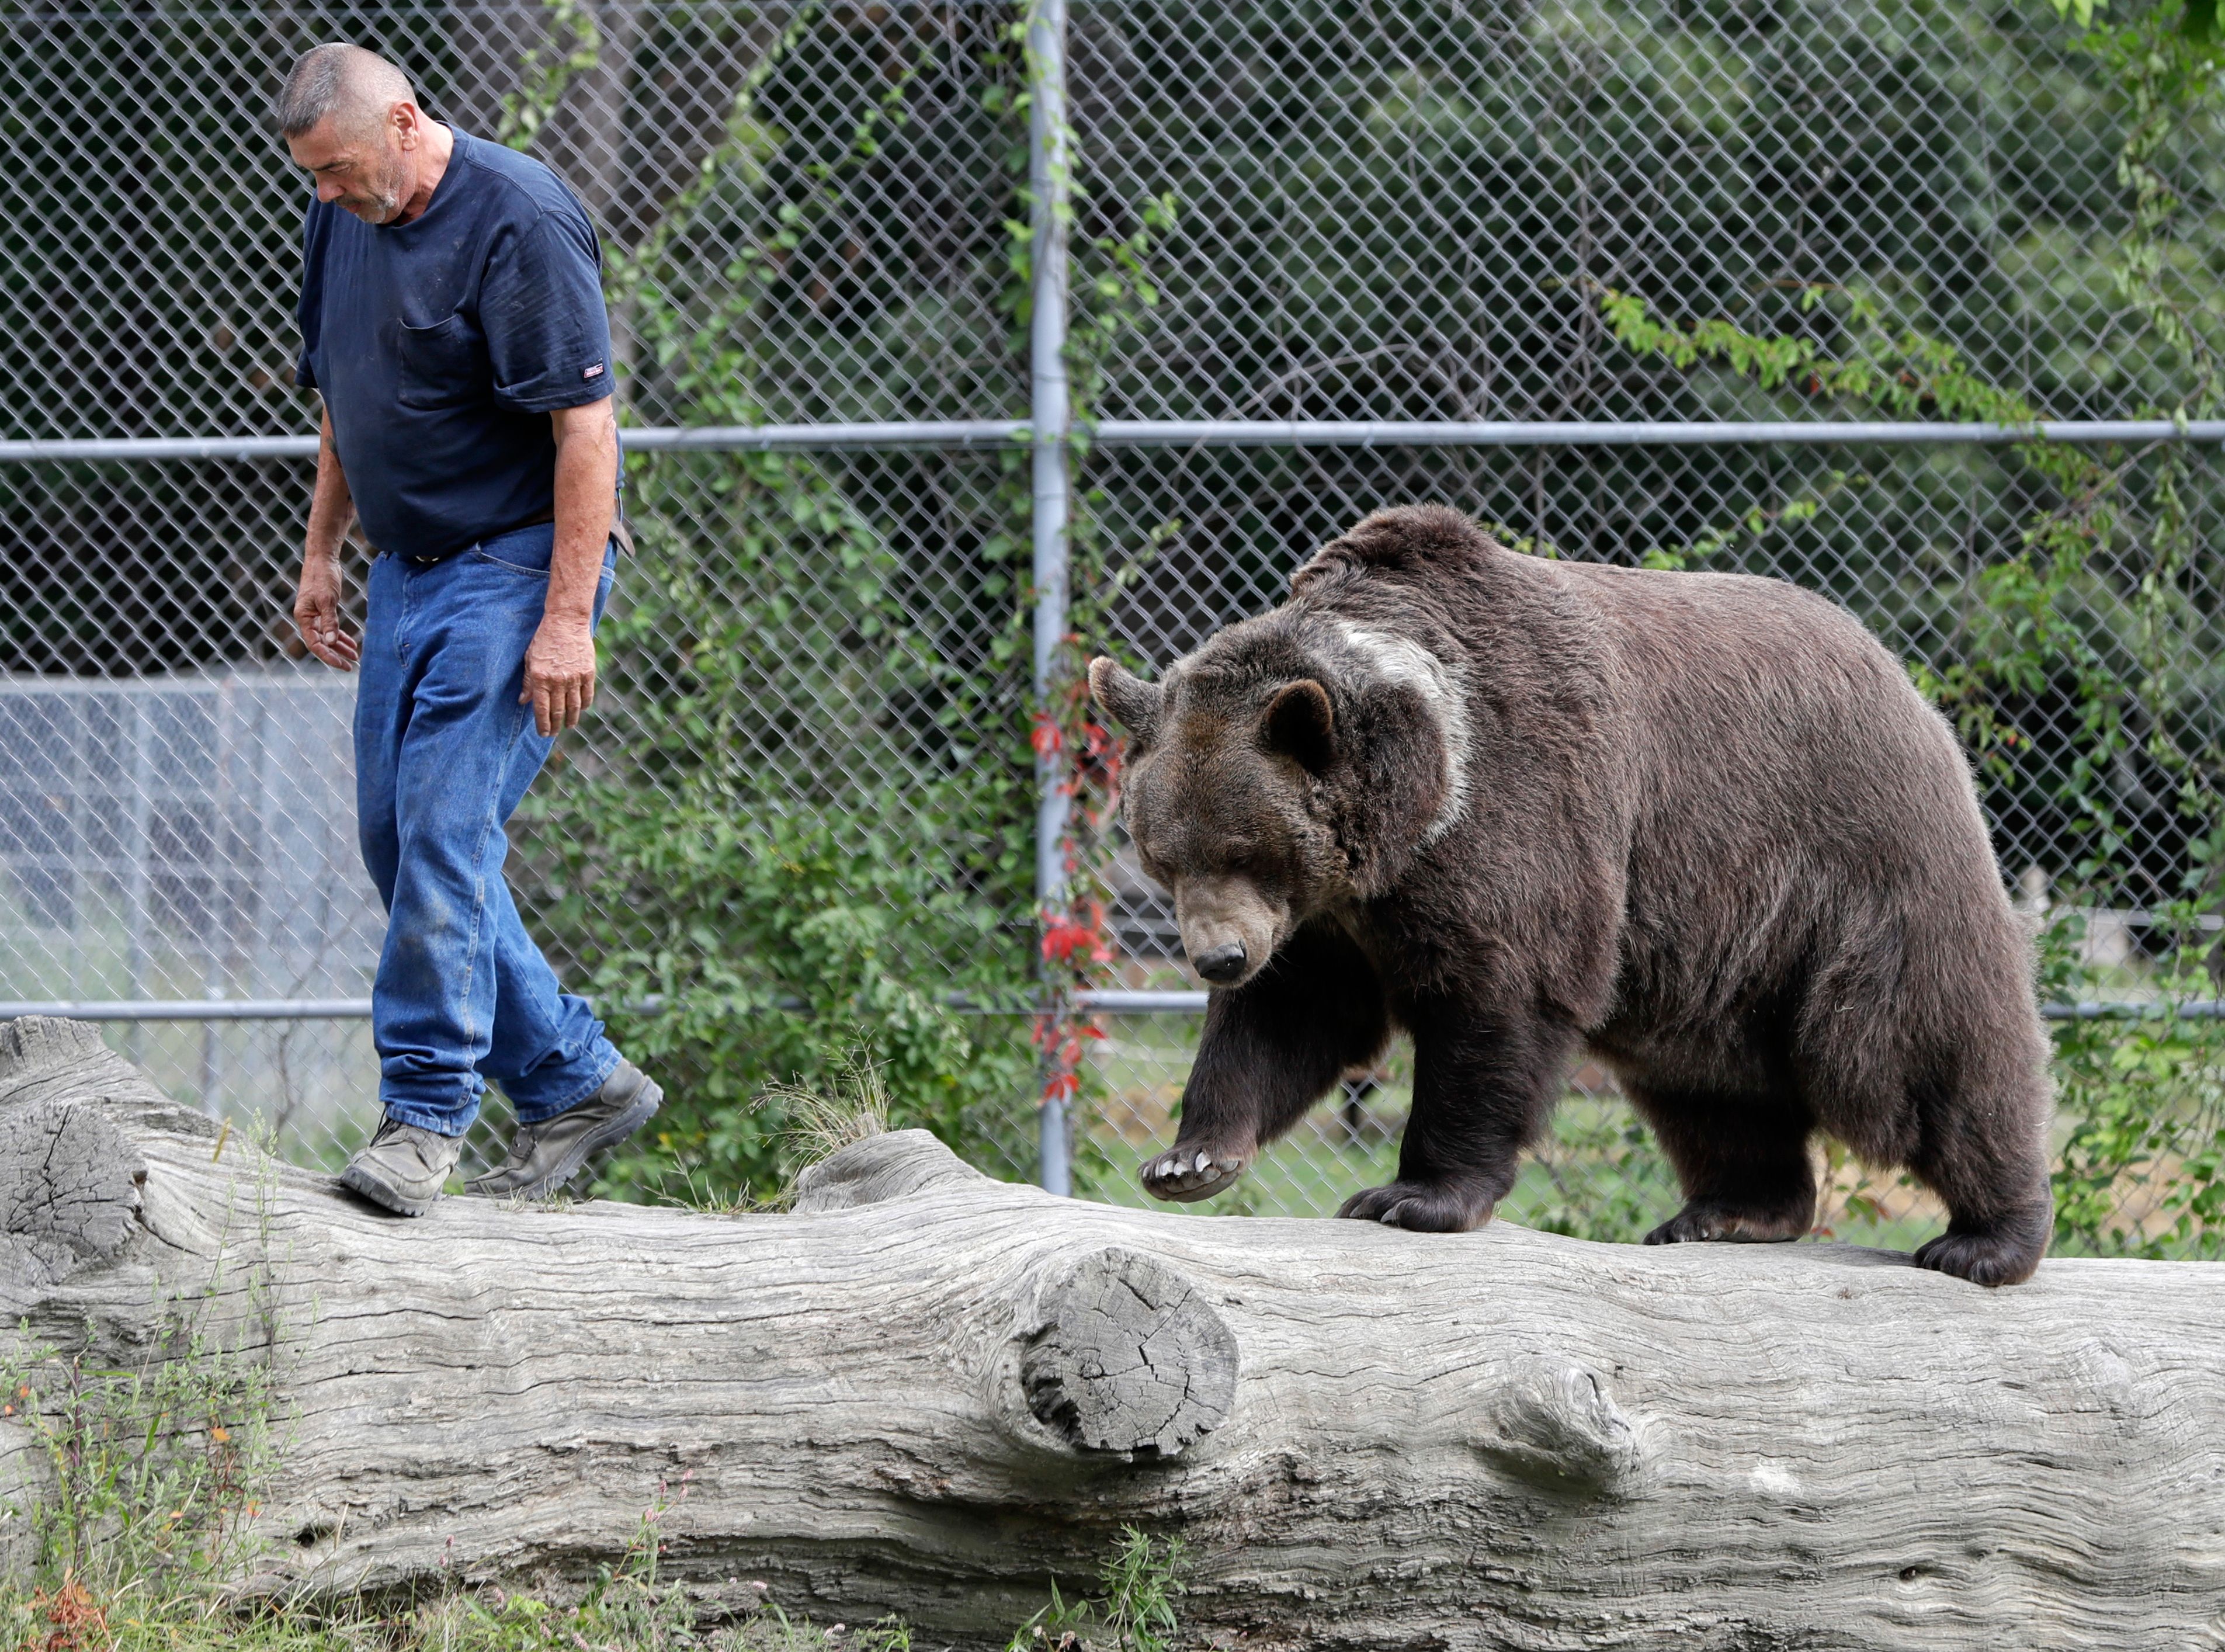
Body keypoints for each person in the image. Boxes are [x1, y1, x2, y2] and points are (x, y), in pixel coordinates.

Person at [280, 42, 661, 1214]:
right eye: (313, 179)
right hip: (409, 572)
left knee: (446, 833)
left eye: (340, 169)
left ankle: (425, 1115)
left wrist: (564, 621)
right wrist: (320, 553)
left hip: (517, 568)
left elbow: (587, 434)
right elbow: (348, 396)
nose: (329, 196)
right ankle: (575, 1078)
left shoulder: (520, 219)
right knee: (398, 845)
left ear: (404, 119)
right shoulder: (341, 215)